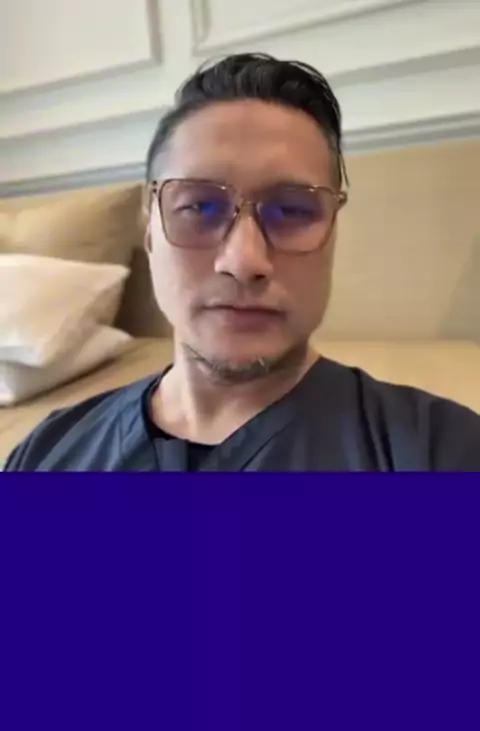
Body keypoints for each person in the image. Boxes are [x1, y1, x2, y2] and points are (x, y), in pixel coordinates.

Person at [5, 53, 480, 472]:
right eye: (199, 207)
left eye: (292, 210)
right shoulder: (46, 453)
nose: (244, 260)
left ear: (333, 232)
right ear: (150, 233)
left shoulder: (441, 452)